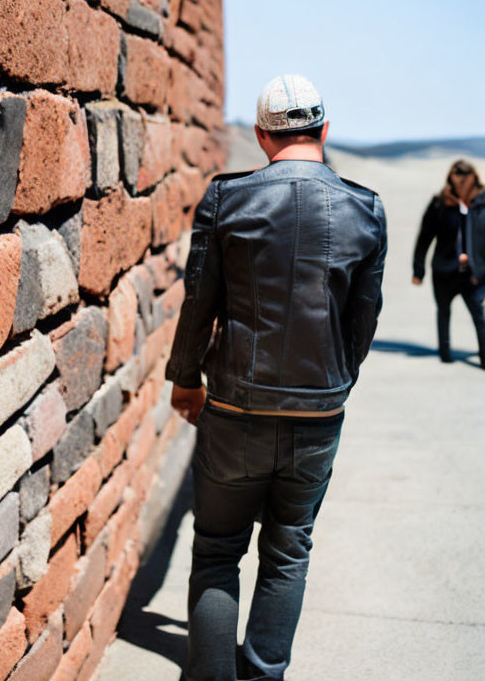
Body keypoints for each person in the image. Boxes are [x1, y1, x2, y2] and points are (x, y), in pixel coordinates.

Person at [166, 75, 387, 681]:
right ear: (325, 130)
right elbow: (363, 321)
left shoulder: (226, 199)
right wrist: (333, 384)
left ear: (262, 136)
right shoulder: (365, 208)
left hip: (235, 409)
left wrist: (185, 379)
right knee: (287, 554)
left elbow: (198, 303)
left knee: (216, 553)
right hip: (318, 415)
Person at [411, 160, 485, 367]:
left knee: (479, 315)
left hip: (474, 272)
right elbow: (425, 237)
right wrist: (418, 270)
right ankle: (445, 354)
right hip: (444, 270)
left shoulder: (481, 202)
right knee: (443, 312)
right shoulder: (439, 203)